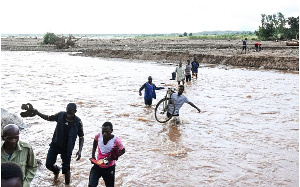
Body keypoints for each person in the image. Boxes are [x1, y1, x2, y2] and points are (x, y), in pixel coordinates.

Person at [34, 103, 84, 185]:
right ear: (66, 109)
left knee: (66, 169)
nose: (68, 115)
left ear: (75, 111)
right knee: (48, 164)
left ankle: (67, 185)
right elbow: (48, 118)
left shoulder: (78, 122)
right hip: (55, 145)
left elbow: (81, 137)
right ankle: (56, 171)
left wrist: (79, 150)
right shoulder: (60, 115)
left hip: (67, 148)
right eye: (67, 113)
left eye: (71, 114)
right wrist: (37, 113)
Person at [88, 122, 125, 187]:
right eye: (103, 131)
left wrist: (111, 158)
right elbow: (95, 142)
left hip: (109, 167)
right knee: (91, 185)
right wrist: (93, 156)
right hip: (98, 165)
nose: (104, 134)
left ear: (111, 131)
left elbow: (123, 150)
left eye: (107, 132)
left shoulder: (116, 140)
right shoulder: (98, 136)